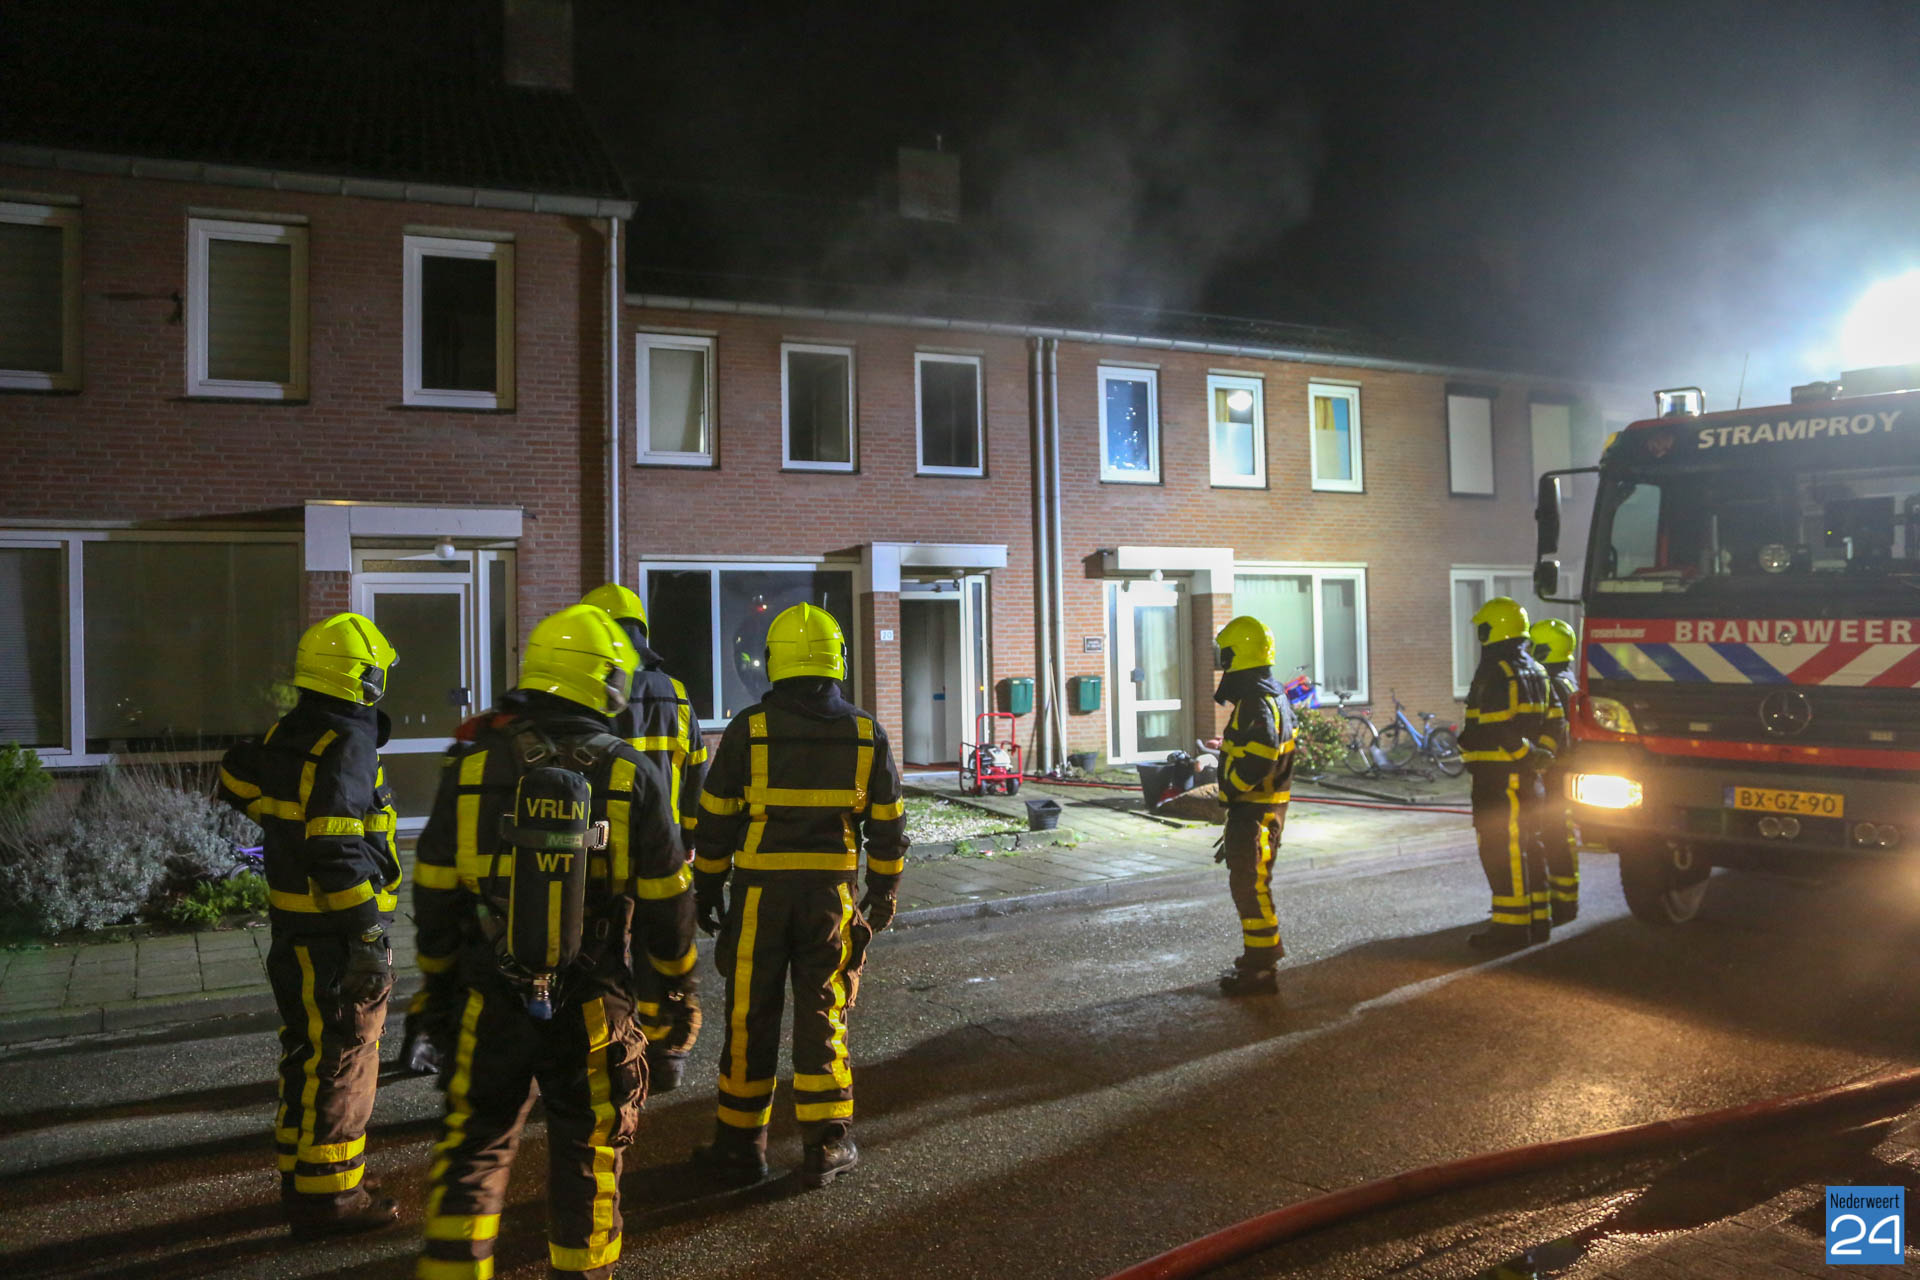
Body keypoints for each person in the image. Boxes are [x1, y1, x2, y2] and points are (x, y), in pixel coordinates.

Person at [410, 605, 695, 1280]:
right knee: (589, 1151)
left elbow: (435, 892)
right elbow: (667, 905)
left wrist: (438, 987)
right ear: (608, 683)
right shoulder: (629, 773)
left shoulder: (472, 766)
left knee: (473, 1147)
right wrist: (674, 996)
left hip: (487, 996)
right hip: (593, 1002)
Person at [689, 602, 907, 1189]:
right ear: (837, 661)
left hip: (759, 899)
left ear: (773, 662)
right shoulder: (865, 733)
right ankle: (826, 1143)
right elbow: (887, 824)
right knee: (823, 1014)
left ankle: (740, 1147)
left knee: (749, 1018)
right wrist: (884, 889)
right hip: (829, 902)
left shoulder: (749, 729)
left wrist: (706, 887)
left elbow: (716, 820)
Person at [215, 612, 402, 1238]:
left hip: (293, 929)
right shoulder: (347, 742)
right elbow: (337, 843)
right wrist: (366, 933)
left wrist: (283, 827)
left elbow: (236, 777)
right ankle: (331, 1199)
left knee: (308, 1054)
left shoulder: (291, 732)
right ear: (362, 678)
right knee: (345, 1059)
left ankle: (304, 1178)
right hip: (334, 935)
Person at [581, 582, 708, 1090]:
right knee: (663, 947)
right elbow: (696, 769)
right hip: (665, 846)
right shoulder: (674, 692)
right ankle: (666, 1052)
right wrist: (691, 836)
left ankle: (613, 1049)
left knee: (604, 949)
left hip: (600, 847)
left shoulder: (591, 689)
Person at [1458, 597, 1554, 952]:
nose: (1480, 634)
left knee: (1502, 852)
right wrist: (1538, 758)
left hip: (1499, 779)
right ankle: (1538, 920)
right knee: (1530, 846)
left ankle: (1511, 929)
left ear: (1494, 630)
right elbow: (1553, 721)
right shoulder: (1537, 670)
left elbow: (1497, 727)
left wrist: (1523, 756)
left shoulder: (1497, 671)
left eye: (1483, 628)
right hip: (1526, 779)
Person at [1210, 615, 1297, 996]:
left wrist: (1232, 783)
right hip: (1261, 810)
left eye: (1225, 653)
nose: (1223, 661)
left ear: (1238, 655)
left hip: (1255, 813)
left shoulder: (1257, 702)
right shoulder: (1270, 696)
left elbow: (1261, 757)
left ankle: (1261, 968)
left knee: (1251, 888)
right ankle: (1259, 960)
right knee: (1250, 885)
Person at [1529, 617, 1581, 924]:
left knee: (1554, 834)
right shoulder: (1568, 678)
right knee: (1560, 834)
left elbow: (1555, 727)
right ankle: (1565, 899)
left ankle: (1562, 903)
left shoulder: (1553, 684)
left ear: (1545, 650)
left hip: (1555, 771)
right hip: (1566, 769)